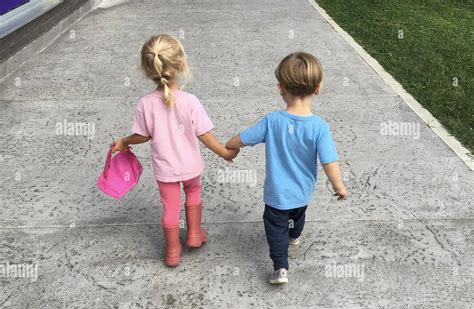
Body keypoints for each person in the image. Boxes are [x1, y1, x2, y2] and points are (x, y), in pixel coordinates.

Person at [113, 34, 238, 267]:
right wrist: (225, 152)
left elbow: (143, 135)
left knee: (169, 206)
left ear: (147, 69)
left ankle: (172, 251)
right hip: (190, 166)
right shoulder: (190, 101)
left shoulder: (145, 103)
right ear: (181, 65)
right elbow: (204, 135)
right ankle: (194, 234)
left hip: (165, 170)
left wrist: (124, 140)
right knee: (194, 193)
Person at [226, 52, 347, 284]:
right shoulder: (319, 127)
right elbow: (329, 161)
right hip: (303, 193)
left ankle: (281, 267)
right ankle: (295, 235)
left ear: (280, 89)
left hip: (276, 196)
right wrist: (339, 185)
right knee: (297, 216)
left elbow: (244, 137)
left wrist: (229, 147)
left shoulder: (272, 121)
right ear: (318, 88)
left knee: (274, 228)